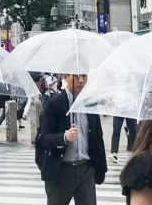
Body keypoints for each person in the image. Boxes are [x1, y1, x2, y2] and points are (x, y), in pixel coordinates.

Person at [36, 72, 107, 205]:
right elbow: (43, 138)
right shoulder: (54, 104)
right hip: (61, 170)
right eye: (76, 76)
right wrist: (64, 137)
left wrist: (101, 167)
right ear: (66, 77)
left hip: (86, 169)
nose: (81, 81)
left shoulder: (89, 104)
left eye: (84, 76)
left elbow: (98, 136)